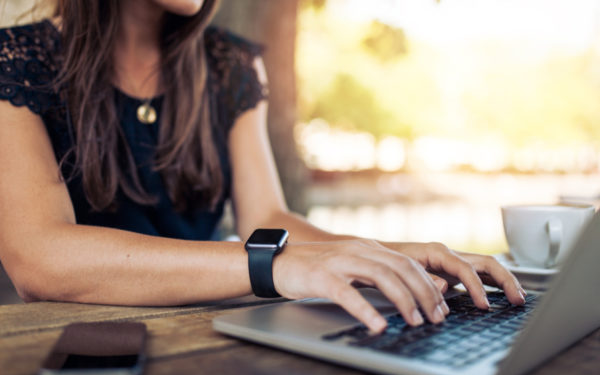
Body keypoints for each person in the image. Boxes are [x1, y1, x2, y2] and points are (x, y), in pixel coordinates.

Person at [0, 0, 525, 333]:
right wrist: (273, 265)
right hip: (78, 349)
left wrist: (388, 256)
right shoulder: (18, 60)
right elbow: (39, 256)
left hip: (205, 335)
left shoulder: (232, 63)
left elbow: (267, 218)